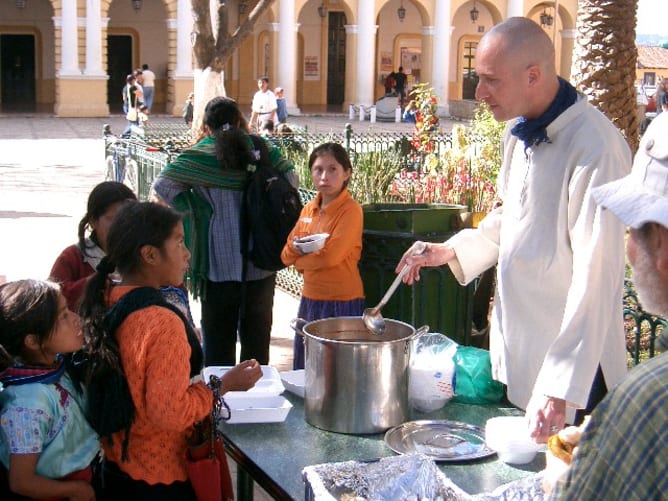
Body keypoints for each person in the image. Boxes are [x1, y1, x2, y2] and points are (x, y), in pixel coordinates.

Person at [396, 17, 632, 442]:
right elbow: (513, 216)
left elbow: (597, 277)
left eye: (489, 80)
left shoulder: (597, 148)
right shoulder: (516, 131)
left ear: (533, 76)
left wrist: (561, 386)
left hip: (575, 378)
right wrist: (453, 251)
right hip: (527, 357)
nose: (478, 92)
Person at [80, 201, 262, 499]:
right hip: (159, 477)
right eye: (179, 242)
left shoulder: (109, 296)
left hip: (118, 465)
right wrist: (225, 385)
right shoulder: (161, 323)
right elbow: (170, 412)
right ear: (150, 255)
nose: (187, 252)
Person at [546, 109, 668, 500]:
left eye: (631, 231)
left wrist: (560, 480)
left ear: (662, 244)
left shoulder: (649, 402)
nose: (628, 249)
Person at [153, 96, 297, 366]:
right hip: (261, 258)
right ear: (240, 120)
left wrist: (200, 208)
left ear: (207, 126)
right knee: (257, 342)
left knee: (218, 343)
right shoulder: (260, 148)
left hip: (217, 262)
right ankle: (257, 399)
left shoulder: (200, 154)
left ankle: (220, 401)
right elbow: (291, 179)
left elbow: (163, 185)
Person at [0, 279, 100, 500]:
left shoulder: (56, 368)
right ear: (33, 341)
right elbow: (21, 482)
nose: (75, 319)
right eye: (63, 316)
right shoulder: (27, 404)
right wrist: (76, 490)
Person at [281, 143, 365, 369]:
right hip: (310, 299)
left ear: (347, 172)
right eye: (318, 169)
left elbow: (331, 257)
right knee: (307, 368)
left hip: (342, 301)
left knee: (339, 371)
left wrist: (300, 261)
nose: (324, 176)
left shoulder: (351, 210)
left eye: (332, 169)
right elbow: (286, 253)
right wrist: (297, 257)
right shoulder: (309, 209)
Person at [49, 181, 137, 312]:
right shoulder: (72, 257)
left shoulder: (144, 255)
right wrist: (92, 284)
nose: (123, 226)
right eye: (114, 219)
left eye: (129, 219)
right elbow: (51, 300)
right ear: (93, 221)